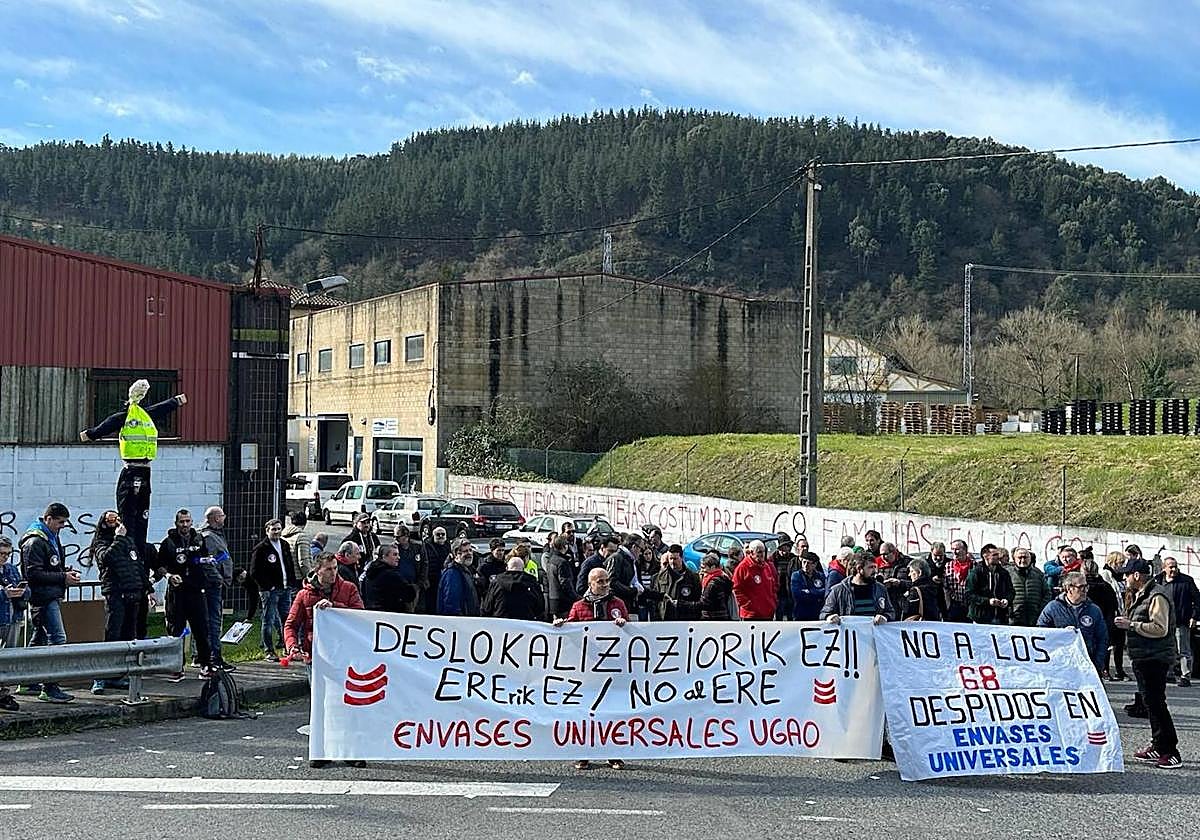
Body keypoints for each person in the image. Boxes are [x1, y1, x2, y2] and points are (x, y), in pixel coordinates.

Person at [79, 380, 187, 575]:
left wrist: (90, 434)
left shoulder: (133, 416)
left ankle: (135, 554)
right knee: (135, 515)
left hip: (137, 470)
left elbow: (109, 424)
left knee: (135, 515)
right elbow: (159, 409)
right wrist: (175, 401)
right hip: (139, 470)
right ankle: (132, 552)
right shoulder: (140, 416)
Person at [283, 551, 366, 771]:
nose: (333, 573)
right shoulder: (304, 595)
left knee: (348, 704)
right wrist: (293, 647)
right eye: (328, 569)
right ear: (317, 570)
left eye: (335, 568)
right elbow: (290, 624)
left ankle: (352, 751)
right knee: (320, 705)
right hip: (316, 657)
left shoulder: (348, 589)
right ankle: (321, 750)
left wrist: (336, 607)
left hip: (344, 655)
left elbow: (360, 615)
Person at [554, 567, 628, 769]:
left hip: (612, 668)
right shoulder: (578, 606)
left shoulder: (617, 604)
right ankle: (583, 753)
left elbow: (630, 633)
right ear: (590, 584)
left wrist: (623, 624)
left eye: (606, 581)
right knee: (585, 712)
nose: (605, 585)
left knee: (612, 712)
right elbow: (571, 630)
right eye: (600, 581)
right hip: (587, 670)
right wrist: (562, 626)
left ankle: (613, 753)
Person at [1116, 555, 1181, 769]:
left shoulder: (1156, 596)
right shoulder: (1141, 594)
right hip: (1143, 656)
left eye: (1127, 574)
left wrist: (1131, 625)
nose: (1124, 578)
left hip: (1155, 657)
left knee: (1156, 703)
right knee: (1149, 703)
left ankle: (1170, 750)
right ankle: (1157, 743)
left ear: (1137, 575)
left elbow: (1159, 628)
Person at [17, 503, 80, 702]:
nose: (62, 526)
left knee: (39, 639)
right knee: (58, 639)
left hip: (49, 594)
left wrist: (63, 571)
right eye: (60, 522)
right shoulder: (36, 541)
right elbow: (33, 574)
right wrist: (63, 577)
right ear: (49, 519)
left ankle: (28, 681)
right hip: (43, 597)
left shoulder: (51, 538)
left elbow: (49, 566)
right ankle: (50, 687)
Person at [157, 508, 214, 678]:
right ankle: (177, 667)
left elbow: (207, 559)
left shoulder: (199, 539)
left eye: (188, 521)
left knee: (202, 629)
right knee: (176, 630)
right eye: (182, 522)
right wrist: (169, 576)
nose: (185, 525)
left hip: (196, 590)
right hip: (177, 592)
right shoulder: (168, 542)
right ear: (176, 523)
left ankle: (205, 665)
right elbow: (160, 566)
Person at [90, 510, 142, 694]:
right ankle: (100, 677)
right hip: (115, 594)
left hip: (131, 594)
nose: (116, 522)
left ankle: (117, 676)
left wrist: (146, 589)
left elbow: (136, 565)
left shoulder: (128, 541)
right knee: (112, 634)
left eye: (117, 518)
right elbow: (107, 559)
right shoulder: (101, 542)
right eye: (111, 519)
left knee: (128, 636)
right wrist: (118, 539)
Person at [1036, 571, 1108, 673]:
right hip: (1060, 665)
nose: (1085, 590)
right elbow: (1041, 634)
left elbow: (1102, 638)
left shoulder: (1094, 610)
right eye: (1081, 587)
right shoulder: (1052, 608)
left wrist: (1097, 664)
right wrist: (1061, 633)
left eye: (1086, 587)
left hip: (1087, 664)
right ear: (1069, 588)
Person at [250, 518, 297, 661]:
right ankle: (269, 650)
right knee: (268, 620)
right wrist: (267, 586)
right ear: (267, 531)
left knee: (286, 619)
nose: (276, 532)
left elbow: (289, 565)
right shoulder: (261, 548)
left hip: (285, 588)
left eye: (278, 529)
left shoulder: (284, 544)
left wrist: (291, 582)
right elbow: (254, 571)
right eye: (273, 529)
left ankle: (286, 647)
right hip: (270, 590)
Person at [198, 505, 235, 671]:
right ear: (214, 518)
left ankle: (206, 656)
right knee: (213, 621)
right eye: (222, 516)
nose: (224, 518)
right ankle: (214, 657)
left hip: (216, 584)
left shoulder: (217, 534)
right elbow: (208, 562)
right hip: (211, 586)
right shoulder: (208, 537)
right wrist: (219, 579)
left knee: (211, 621)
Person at [1154, 556, 1198, 687]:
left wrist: (1194, 617)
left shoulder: (1186, 581)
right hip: (1163, 621)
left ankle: (1185, 676)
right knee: (1167, 649)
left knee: (1183, 650)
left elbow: (1197, 600)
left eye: (1175, 566)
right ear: (1164, 568)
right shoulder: (1158, 581)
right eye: (1170, 567)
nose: (1174, 569)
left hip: (1181, 621)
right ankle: (1169, 673)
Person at [820, 555, 892, 623]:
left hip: (874, 634)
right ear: (859, 569)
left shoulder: (880, 589)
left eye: (875, 567)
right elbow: (824, 613)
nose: (875, 571)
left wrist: (885, 617)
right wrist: (830, 617)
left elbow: (890, 612)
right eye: (871, 567)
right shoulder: (838, 590)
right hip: (850, 634)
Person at [0, 536, 27, 710]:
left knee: (10, 657)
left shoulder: (10, 569)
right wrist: (4, 594)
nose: (4, 557)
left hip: (13, 616)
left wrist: (21, 591)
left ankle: (4, 693)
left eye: (7, 554)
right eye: (1, 554)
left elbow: (27, 589)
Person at [1083, 558, 1120, 678]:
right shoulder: (1106, 586)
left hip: (1085, 621)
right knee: (1103, 646)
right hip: (1104, 620)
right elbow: (1114, 604)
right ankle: (1105, 669)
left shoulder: (1082, 588)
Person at [361, 544, 418, 613]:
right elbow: (409, 594)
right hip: (389, 614)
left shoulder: (370, 571)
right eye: (395, 554)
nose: (398, 557)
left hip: (371, 612)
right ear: (384, 556)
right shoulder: (391, 575)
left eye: (398, 554)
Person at [965, 546, 1013, 625]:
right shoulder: (976, 572)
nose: (998, 557)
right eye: (994, 555)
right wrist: (988, 601)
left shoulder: (1004, 573)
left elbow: (1011, 591)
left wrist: (1007, 600)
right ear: (985, 556)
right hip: (980, 618)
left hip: (1000, 617)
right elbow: (969, 594)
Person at [731, 539, 777, 620]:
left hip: (767, 612)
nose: (762, 554)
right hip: (751, 615)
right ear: (751, 552)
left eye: (763, 551)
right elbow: (736, 589)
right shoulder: (743, 567)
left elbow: (773, 585)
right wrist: (748, 605)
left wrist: (773, 602)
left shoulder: (766, 566)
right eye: (759, 552)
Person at [654, 545, 701, 621]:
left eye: (675, 559)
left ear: (682, 558)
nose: (672, 562)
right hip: (665, 620)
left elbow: (697, 602)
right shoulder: (661, 576)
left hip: (684, 620)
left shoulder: (693, 577)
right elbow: (656, 599)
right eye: (670, 558)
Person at [1102, 550, 1129, 680]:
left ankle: (1119, 670)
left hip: (1121, 612)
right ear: (1113, 562)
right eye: (1120, 563)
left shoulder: (1122, 577)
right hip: (1110, 613)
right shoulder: (1106, 574)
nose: (1122, 566)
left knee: (1119, 644)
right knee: (1108, 643)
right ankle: (1105, 669)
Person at [1007, 547, 1051, 627]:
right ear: (1014, 559)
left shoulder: (1038, 573)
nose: (1023, 560)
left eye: (1025, 557)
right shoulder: (1007, 573)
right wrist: (1009, 611)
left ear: (1030, 558)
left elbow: (1047, 593)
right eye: (1020, 557)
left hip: (1035, 617)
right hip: (1013, 618)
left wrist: (1040, 609)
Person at [438, 538, 481, 617]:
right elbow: (451, 604)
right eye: (465, 551)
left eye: (470, 550)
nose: (470, 554)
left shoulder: (466, 571)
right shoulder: (452, 574)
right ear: (456, 554)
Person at [542, 534, 578, 620]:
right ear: (565, 546)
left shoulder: (551, 560)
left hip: (553, 600)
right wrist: (575, 597)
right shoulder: (562, 562)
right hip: (564, 602)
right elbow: (565, 583)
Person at [605, 534, 641, 614]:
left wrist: (660, 596)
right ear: (634, 547)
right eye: (640, 549)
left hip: (628, 603)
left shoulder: (631, 561)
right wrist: (633, 591)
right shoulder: (617, 558)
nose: (641, 553)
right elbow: (612, 582)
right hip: (616, 606)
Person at [419, 526, 451, 614]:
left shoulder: (448, 546)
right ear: (433, 536)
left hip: (444, 579)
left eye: (443, 534)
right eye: (438, 534)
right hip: (431, 580)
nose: (440, 536)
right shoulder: (426, 546)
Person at [770, 534, 800, 620]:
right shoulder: (773, 559)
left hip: (791, 592)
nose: (785, 551)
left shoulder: (793, 559)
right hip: (779, 593)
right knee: (779, 615)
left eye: (787, 548)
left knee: (791, 616)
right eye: (782, 549)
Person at [943, 540, 975, 622]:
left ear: (965, 550)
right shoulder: (948, 566)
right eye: (952, 549)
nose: (954, 552)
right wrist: (948, 606)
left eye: (957, 549)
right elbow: (946, 588)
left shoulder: (974, 566)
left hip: (970, 606)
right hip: (955, 605)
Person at [790, 553, 827, 621]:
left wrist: (809, 591)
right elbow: (797, 594)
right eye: (804, 562)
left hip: (816, 613)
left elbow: (825, 592)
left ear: (815, 564)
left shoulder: (820, 576)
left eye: (809, 563)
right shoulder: (796, 576)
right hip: (801, 613)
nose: (806, 565)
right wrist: (817, 592)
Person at [699, 552, 733, 620]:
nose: (702, 570)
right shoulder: (722, 577)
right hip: (722, 616)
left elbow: (704, 603)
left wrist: (681, 605)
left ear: (713, 567)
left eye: (704, 567)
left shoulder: (713, 583)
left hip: (712, 618)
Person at [281, 511, 308, 581]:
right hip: (298, 577)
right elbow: (303, 561)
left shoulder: (283, 535)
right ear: (305, 523)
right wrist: (308, 577)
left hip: (285, 575)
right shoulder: (302, 537)